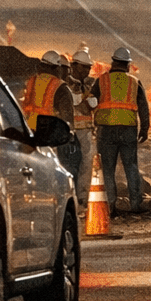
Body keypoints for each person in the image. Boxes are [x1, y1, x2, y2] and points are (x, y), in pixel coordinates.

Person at [93, 47, 149, 213]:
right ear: (128, 64)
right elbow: (143, 107)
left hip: (106, 129)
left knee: (108, 170)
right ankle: (135, 204)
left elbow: (90, 102)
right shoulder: (134, 82)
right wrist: (144, 128)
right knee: (131, 166)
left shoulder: (101, 81)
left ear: (113, 62)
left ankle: (110, 206)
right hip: (128, 129)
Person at [23, 50, 80, 186]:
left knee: (32, 167)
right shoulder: (59, 86)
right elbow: (67, 115)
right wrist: (69, 135)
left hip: (29, 131)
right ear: (56, 67)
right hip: (50, 133)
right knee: (57, 168)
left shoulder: (31, 81)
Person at [64, 48, 96, 198]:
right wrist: (86, 102)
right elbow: (77, 104)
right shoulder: (66, 84)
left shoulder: (88, 84)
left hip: (85, 130)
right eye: (84, 66)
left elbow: (92, 104)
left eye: (89, 67)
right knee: (70, 164)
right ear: (74, 66)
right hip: (70, 130)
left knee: (86, 164)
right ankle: (69, 195)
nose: (87, 70)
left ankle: (82, 196)